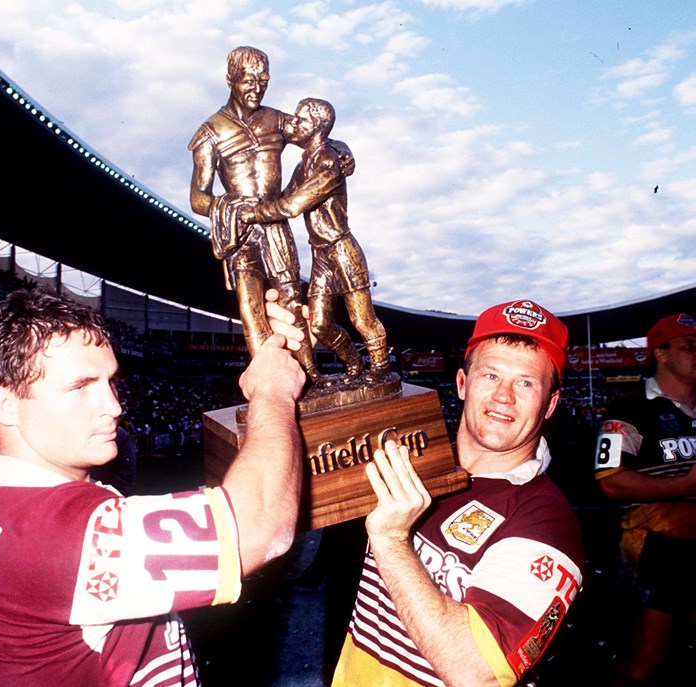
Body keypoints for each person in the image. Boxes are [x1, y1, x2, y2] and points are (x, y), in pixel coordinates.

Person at [0, 287, 306, 686]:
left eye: (109, 382)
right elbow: (260, 527)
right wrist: (272, 391)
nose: (114, 406)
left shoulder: (12, 510)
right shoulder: (55, 534)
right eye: (80, 386)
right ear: (5, 405)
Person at [268, 295, 585, 685]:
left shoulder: (548, 523)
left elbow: (477, 673)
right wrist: (294, 358)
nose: (504, 395)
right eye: (491, 375)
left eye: (526, 383)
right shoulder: (411, 457)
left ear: (551, 404)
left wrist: (390, 539)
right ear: (462, 383)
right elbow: (286, 545)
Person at [189, 46, 352, 385]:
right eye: (249, 81)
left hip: (275, 226)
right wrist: (223, 205)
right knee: (251, 308)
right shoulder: (211, 131)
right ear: (230, 80)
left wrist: (345, 152)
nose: (257, 89)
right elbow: (197, 197)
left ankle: (311, 375)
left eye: (263, 81)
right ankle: (269, 380)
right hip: (241, 228)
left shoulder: (275, 119)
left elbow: (318, 135)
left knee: (293, 301)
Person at [241, 98, 390, 382]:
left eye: (301, 119)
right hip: (321, 254)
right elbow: (282, 198)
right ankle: (355, 365)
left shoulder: (330, 161)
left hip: (343, 250)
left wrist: (252, 213)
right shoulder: (305, 163)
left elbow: (292, 206)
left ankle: (381, 369)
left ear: (318, 126)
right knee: (320, 325)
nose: (295, 124)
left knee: (362, 319)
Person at [594, 312, 696, 686]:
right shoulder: (629, 409)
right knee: (641, 666)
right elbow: (610, 482)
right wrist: (683, 484)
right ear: (661, 354)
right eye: (689, 346)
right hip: (659, 548)